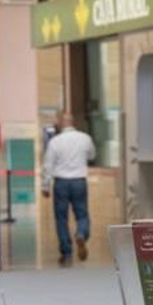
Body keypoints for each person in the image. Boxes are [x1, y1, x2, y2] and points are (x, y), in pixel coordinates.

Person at [41, 111, 95, 265]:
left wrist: (45, 185)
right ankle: (81, 234)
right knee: (82, 214)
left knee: (61, 218)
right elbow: (92, 155)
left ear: (60, 122)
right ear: (72, 122)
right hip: (79, 181)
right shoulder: (85, 138)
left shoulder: (55, 142)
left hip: (61, 183)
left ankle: (66, 252)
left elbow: (48, 165)